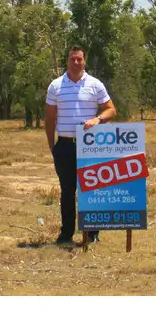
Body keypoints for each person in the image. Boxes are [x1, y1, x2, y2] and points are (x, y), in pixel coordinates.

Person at [45, 45, 116, 245]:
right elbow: (49, 119)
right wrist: (54, 147)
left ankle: (92, 234)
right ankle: (66, 233)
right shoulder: (55, 86)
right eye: (72, 59)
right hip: (65, 146)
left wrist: (98, 120)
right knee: (67, 191)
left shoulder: (95, 84)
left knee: (91, 190)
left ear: (85, 61)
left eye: (79, 59)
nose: (76, 62)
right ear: (67, 61)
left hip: (90, 147)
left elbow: (111, 109)